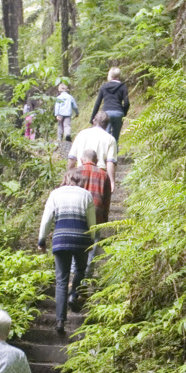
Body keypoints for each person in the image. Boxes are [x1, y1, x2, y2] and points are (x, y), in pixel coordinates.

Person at [38, 169, 96, 334]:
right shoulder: (86, 195)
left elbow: (47, 219)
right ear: (81, 181)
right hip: (81, 239)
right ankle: (74, 294)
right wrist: (91, 240)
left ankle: (60, 321)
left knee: (61, 280)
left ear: (65, 179)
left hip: (61, 239)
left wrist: (41, 240)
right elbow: (92, 222)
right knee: (80, 269)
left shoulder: (55, 194)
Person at [75, 149, 112, 278]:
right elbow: (107, 200)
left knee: (76, 248)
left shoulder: (75, 172)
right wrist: (105, 221)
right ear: (97, 161)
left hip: (77, 215)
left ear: (81, 160)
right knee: (91, 250)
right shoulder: (104, 175)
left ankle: (74, 280)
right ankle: (85, 281)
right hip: (97, 216)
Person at [68, 111, 117, 192]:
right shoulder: (110, 139)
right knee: (97, 203)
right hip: (99, 175)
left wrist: (69, 174)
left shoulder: (81, 134)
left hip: (81, 173)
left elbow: (72, 158)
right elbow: (110, 162)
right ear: (107, 125)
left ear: (94, 121)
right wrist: (111, 181)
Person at [90, 67, 129, 143]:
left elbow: (97, 103)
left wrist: (92, 118)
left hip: (106, 113)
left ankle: (105, 153)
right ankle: (114, 153)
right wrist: (123, 113)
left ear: (110, 76)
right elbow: (127, 103)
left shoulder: (104, 87)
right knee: (115, 137)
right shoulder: (123, 87)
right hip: (118, 112)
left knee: (105, 135)